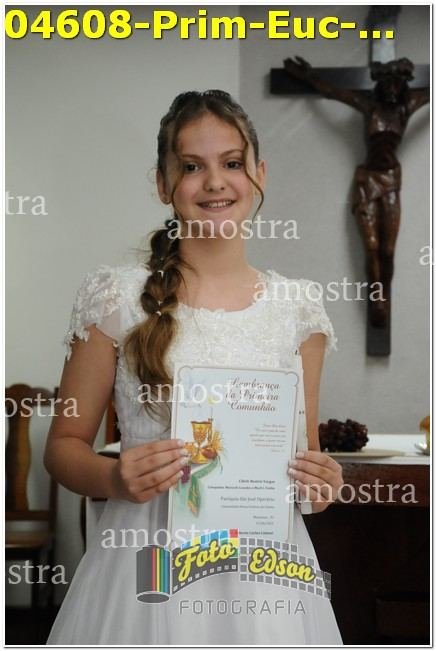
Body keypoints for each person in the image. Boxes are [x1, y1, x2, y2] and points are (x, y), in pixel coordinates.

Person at [44, 90, 343, 645]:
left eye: (232, 163)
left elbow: (303, 464)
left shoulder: (299, 309)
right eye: (190, 166)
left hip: (265, 572)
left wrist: (320, 484)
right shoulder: (113, 298)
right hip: (145, 560)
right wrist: (112, 477)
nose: (214, 182)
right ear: (162, 183)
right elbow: (62, 446)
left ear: (259, 174)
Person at [284, 56, 430, 327]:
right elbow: (333, 92)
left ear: (403, 85)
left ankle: (385, 296)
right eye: (386, 83)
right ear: (379, 85)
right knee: (371, 247)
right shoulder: (368, 106)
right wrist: (307, 76)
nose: (391, 88)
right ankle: (376, 298)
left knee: (388, 249)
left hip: (391, 180)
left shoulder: (407, 107)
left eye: (396, 83)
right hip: (367, 181)